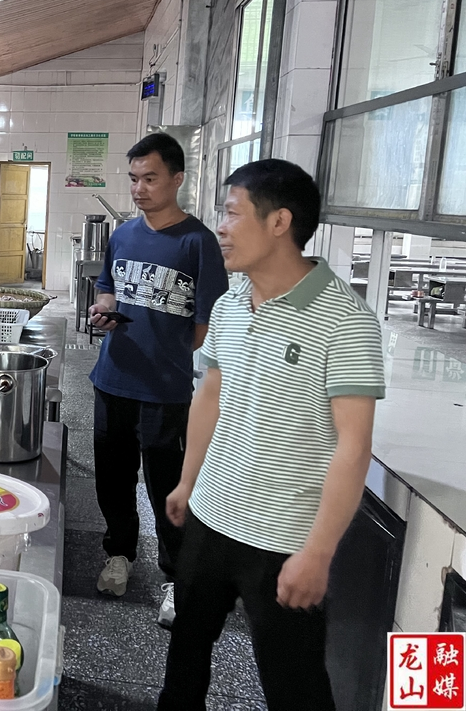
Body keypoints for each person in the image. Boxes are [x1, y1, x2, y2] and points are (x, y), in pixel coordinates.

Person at [157, 160, 385, 710]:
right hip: (212, 514)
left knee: (294, 684)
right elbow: (211, 394)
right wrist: (189, 481)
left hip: (284, 541)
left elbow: (353, 448)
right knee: (185, 654)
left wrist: (318, 553)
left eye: (232, 214)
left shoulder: (346, 320)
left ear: (280, 222)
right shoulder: (231, 301)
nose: (222, 228)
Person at [87, 132, 229, 627]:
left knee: (168, 486)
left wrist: (163, 350)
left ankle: (175, 577)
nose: (139, 188)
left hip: (165, 390)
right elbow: (108, 290)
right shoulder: (123, 235)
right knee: (113, 477)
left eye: (150, 178)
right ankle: (119, 554)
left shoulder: (198, 243)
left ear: (176, 179)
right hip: (113, 378)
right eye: (133, 179)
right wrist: (102, 313)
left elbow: (206, 324)